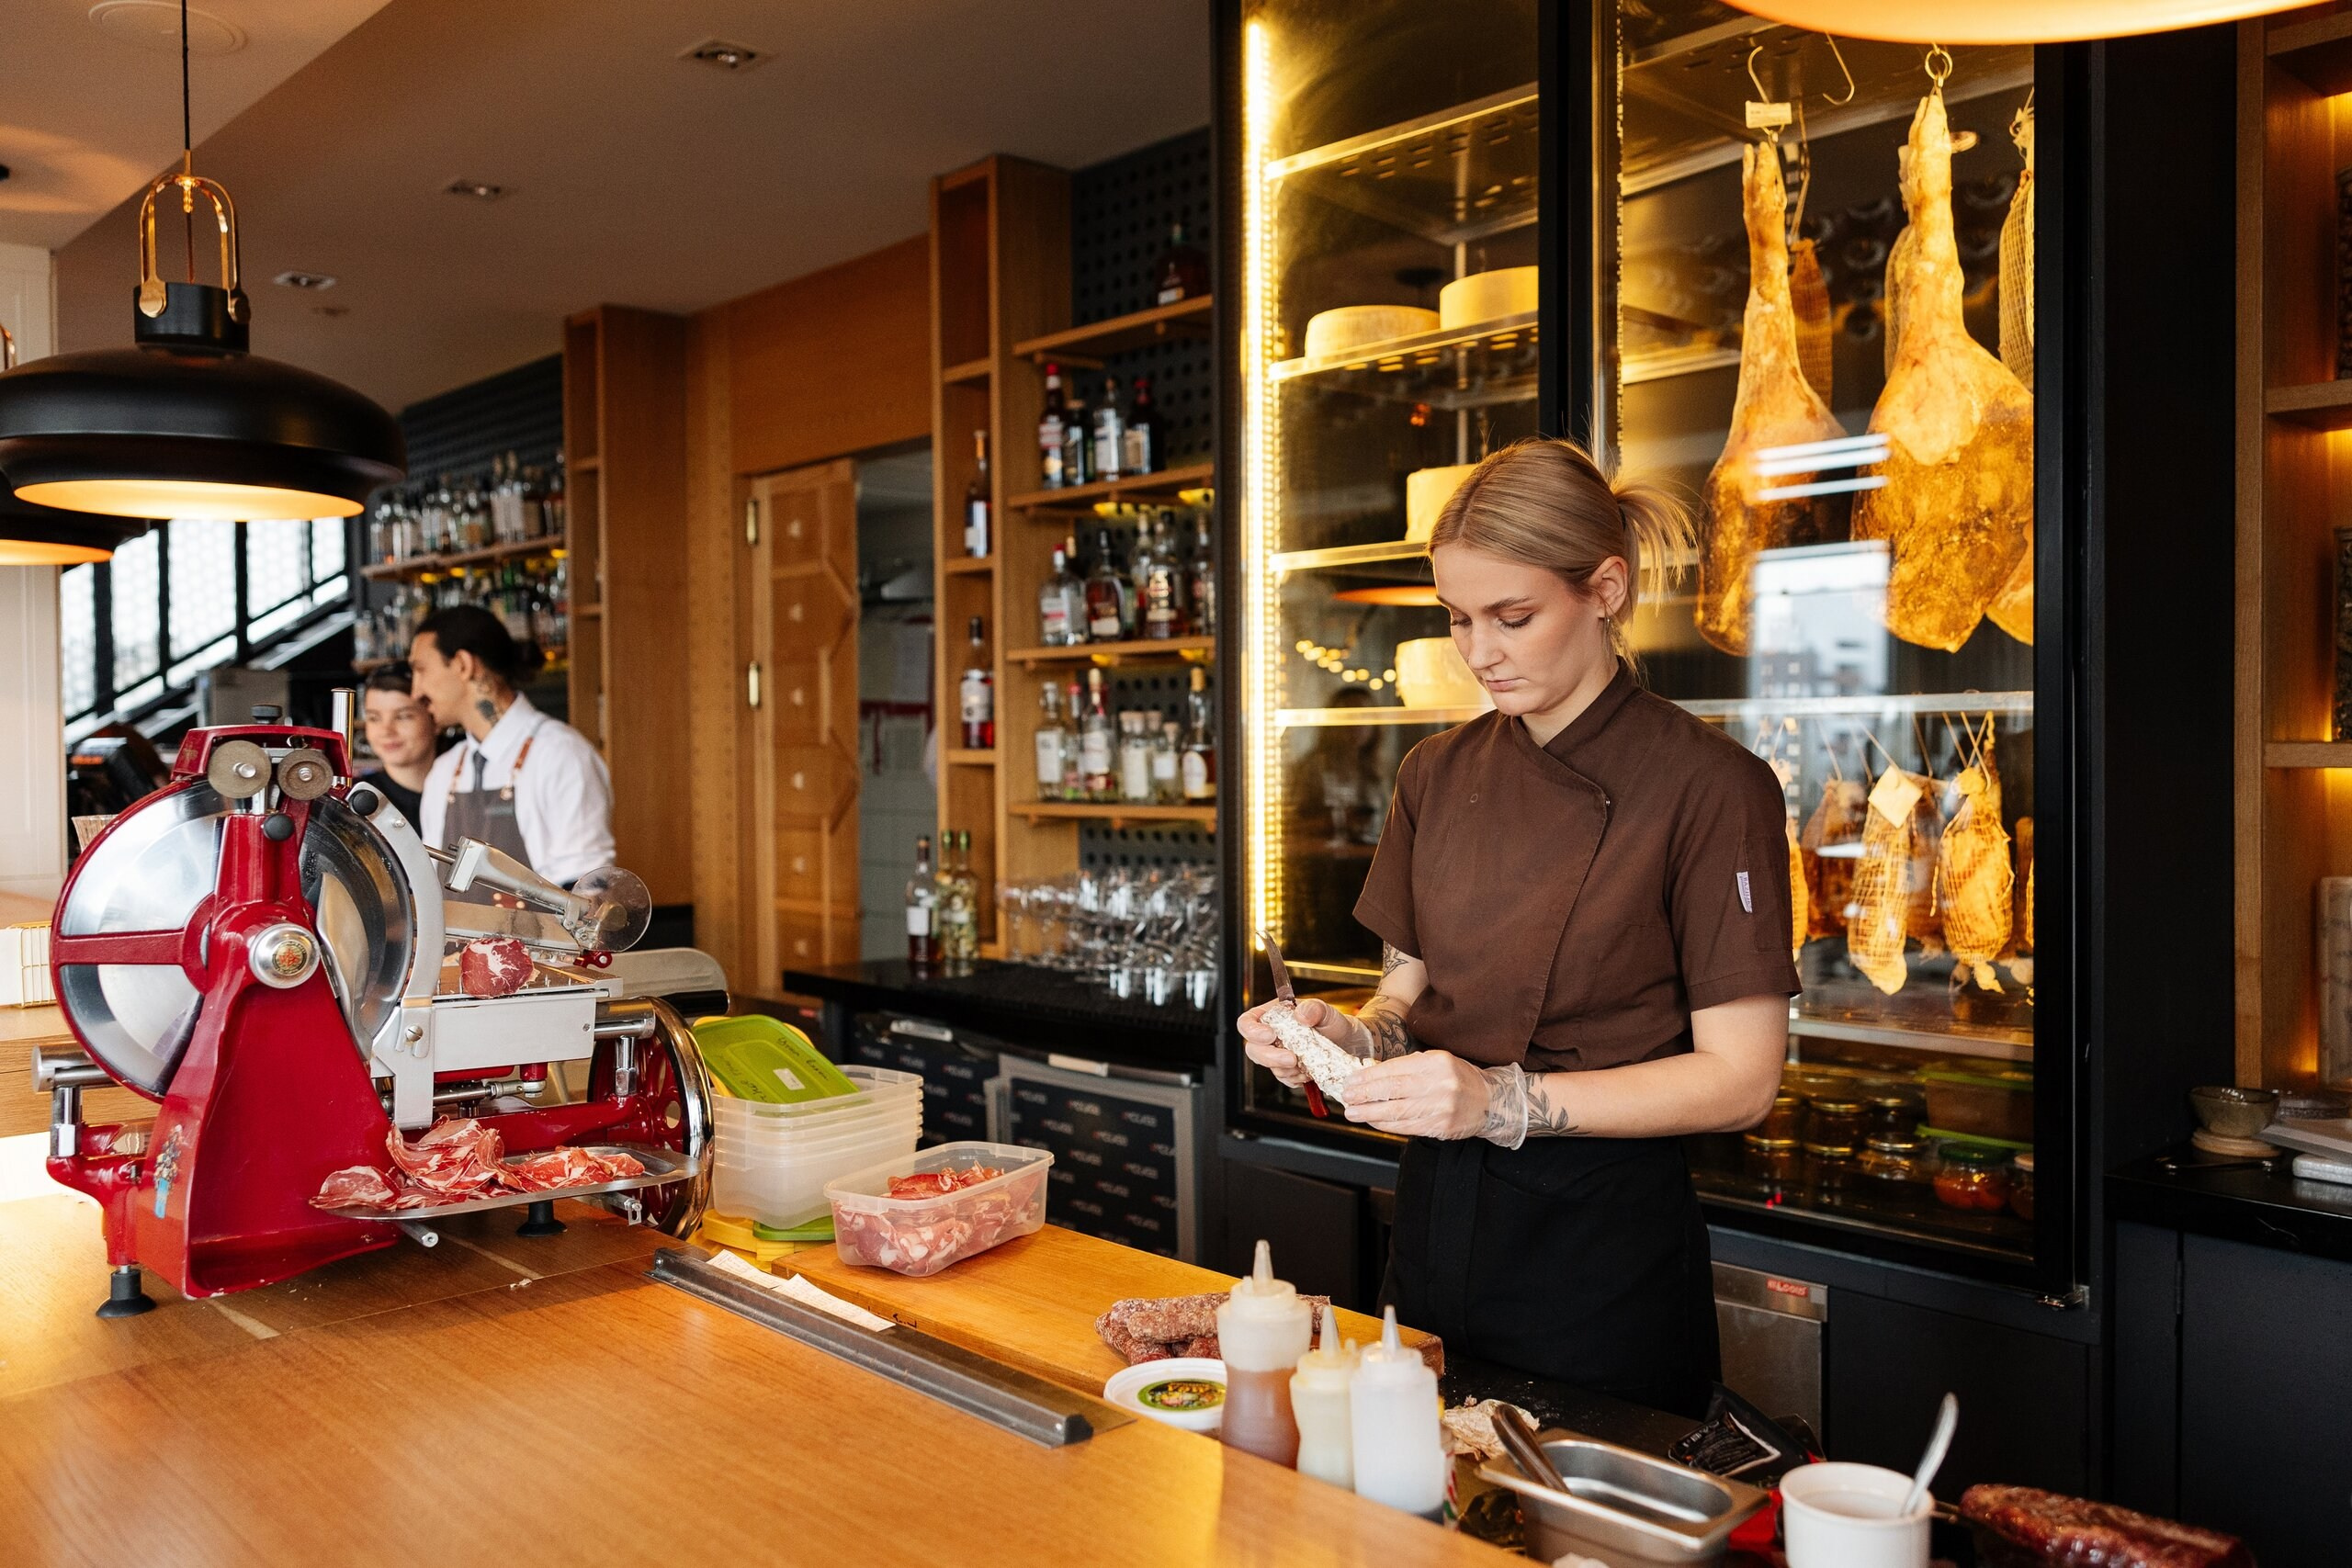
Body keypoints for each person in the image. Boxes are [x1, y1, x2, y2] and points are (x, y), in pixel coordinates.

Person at [1236, 438, 1798, 1418]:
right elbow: (1408, 987)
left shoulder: (1711, 787)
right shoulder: (1435, 773)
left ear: (1605, 589)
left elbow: (1742, 1080)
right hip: (1438, 1218)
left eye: (1513, 616)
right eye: (1457, 619)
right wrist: (1351, 1039)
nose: (1479, 651)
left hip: (1600, 1249)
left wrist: (1506, 1104)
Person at [409, 604, 614, 886]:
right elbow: (431, 889)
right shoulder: (444, 772)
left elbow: (586, 890)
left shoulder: (559, 755)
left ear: (463, 665)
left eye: (421, 670)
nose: (415, 691)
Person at [355, 661, 436, 829]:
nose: (386, 731)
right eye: (374, 718)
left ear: (435, 718)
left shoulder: (462, 791)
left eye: (403, 716)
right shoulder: (360, 801)